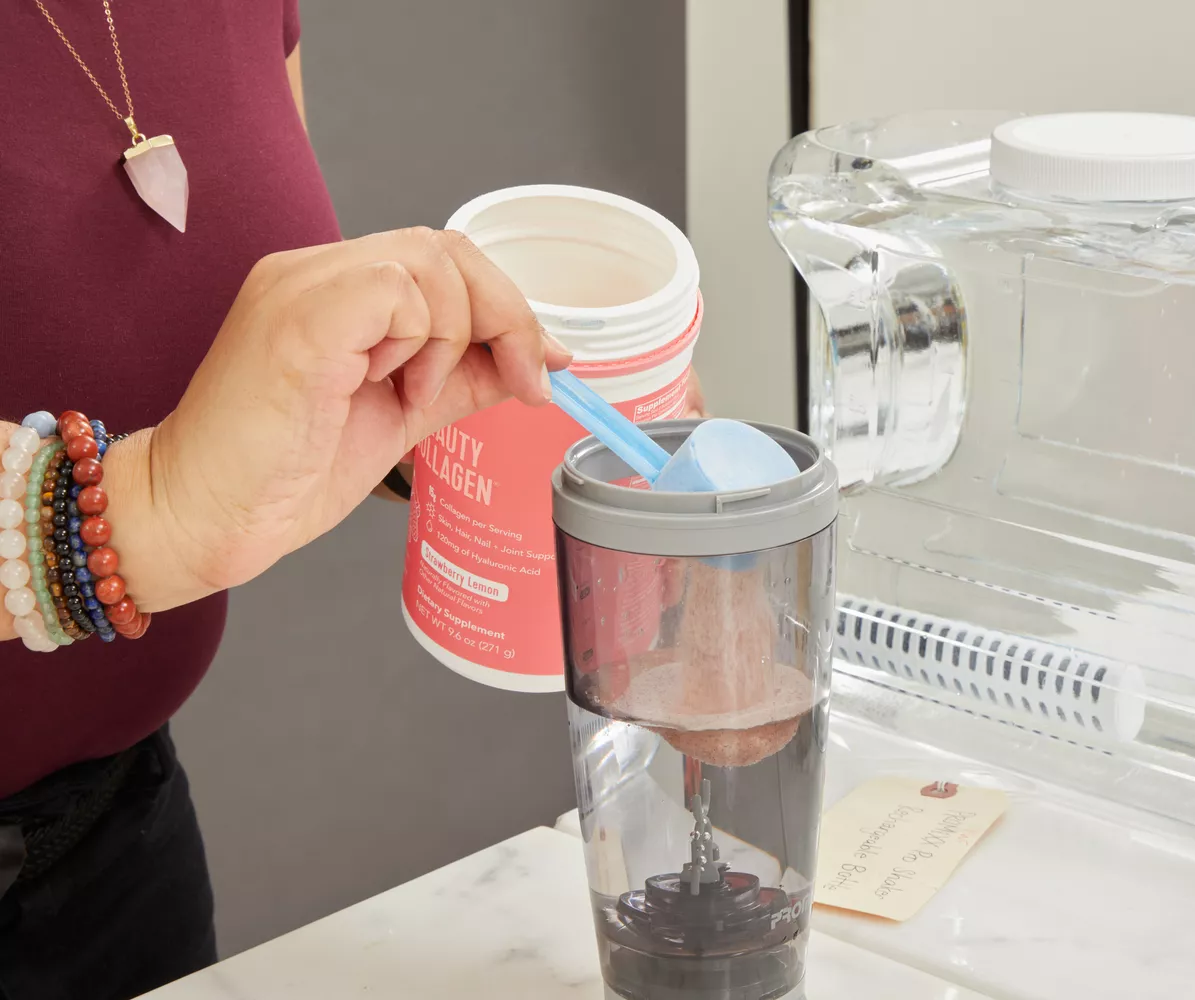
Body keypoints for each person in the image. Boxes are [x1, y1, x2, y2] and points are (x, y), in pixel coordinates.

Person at [0, 2, 703, 997]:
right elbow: (173, 472)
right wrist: (140, 510)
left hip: (115, 840)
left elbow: (235, 355)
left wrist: (469, 416)